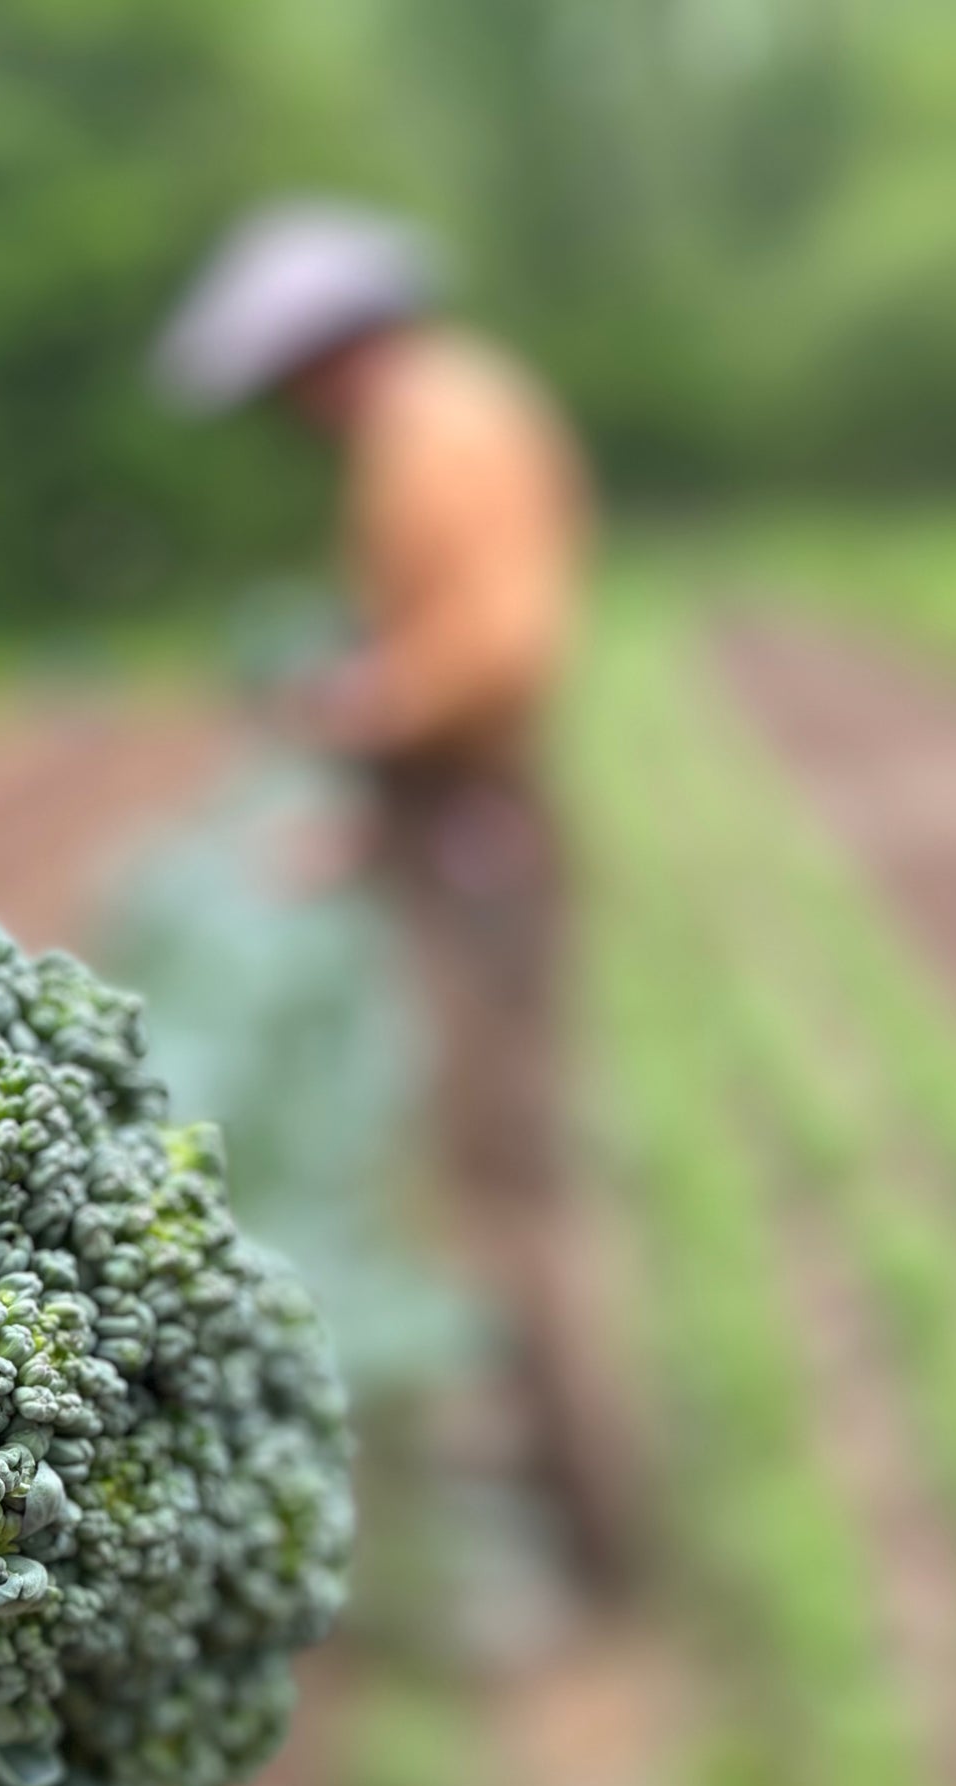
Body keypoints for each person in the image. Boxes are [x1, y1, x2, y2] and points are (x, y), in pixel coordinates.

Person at [155, 203, 636, 1576]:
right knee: (488, 1163)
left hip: (478, 832)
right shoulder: (434, 418)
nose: (289, 415)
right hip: (450, 817)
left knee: (507, 1178)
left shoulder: (448, 424)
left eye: (285, 383)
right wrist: (363, 824)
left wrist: (354, 708)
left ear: (329, 348)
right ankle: (563, 1485)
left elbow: (496, 649)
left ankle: (590, 1527)